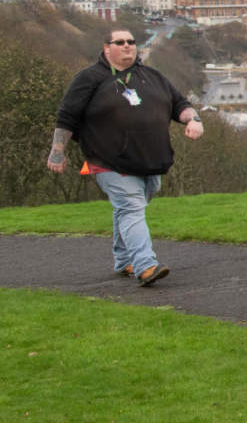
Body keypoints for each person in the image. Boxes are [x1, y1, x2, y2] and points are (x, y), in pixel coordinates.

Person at [47, 27, 202, 285]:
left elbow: (180, 104)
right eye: (120, 42)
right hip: (107, 161)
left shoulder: (152, 76)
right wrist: (57, 153)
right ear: (107, 48)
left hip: (150, 161)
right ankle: (146, 265)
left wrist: (194, 120)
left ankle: (123, 259)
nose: (127, 46)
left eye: (131, 41)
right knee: (131, 206)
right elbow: (67, 117)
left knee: (129, 208)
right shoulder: (89, 78)